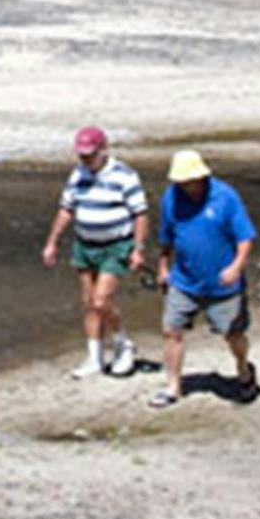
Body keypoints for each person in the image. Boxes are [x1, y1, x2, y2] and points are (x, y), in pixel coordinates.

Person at [148, 148, 258, 408]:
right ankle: (173, 387)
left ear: (201, 177)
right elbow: (167, 237)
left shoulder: (225, 197)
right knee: (171, 330)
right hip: (184, 280)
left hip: (223, 284)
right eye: (180, 182)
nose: (185, 187)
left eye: (188, 182)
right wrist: (163, 267)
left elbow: (245, 237)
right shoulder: (171, 198)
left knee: (233, 333)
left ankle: (244, 370)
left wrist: (236, 267)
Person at [41, 125, 149, 378]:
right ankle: (94, 357)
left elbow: (140, 214)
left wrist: (138, 248)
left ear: (103, 150)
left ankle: (123, 344)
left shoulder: (124, 175)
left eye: (90, 154)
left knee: (102, 300)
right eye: (81, 155)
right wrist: (52, 241)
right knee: (89, 302)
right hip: (85, 243)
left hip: (116, 245)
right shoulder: (77, 175)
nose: (85, 159)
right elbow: (66, 209)